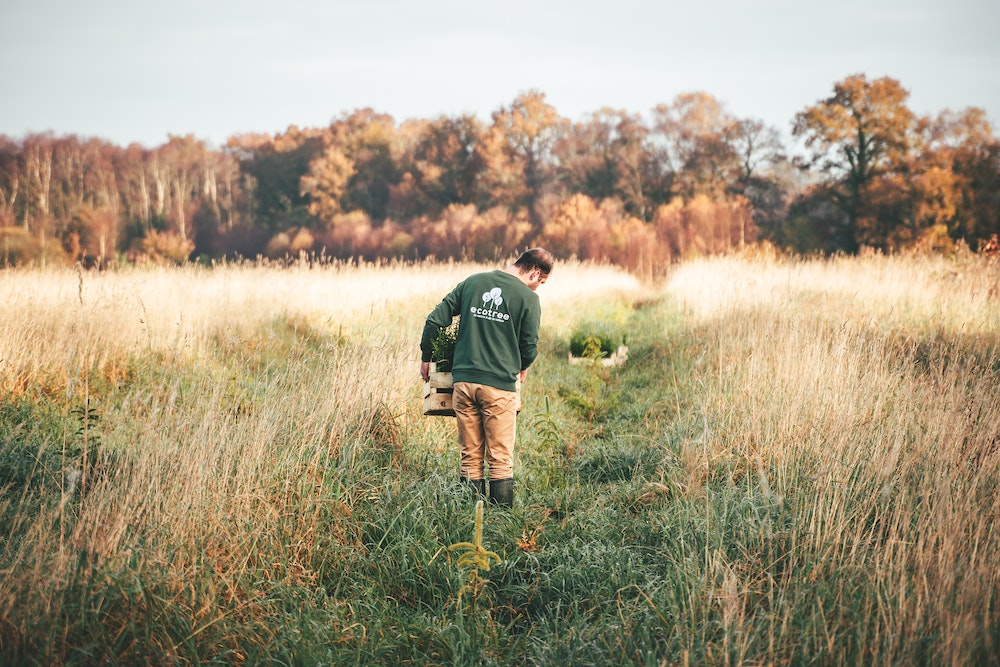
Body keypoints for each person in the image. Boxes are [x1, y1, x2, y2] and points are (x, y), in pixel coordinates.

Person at [420, 248, 554, 508]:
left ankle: (468, 515)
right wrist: (522, 366)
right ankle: (500, 523)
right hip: (499, 386)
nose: (538, 288)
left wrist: (427, 357)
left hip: (463, 383)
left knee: (470, 455)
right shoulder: (528, 299)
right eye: (541, 283)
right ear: (535, 273)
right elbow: (529, 347)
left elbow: (435, 320)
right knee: (500, 457)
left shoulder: (473, 282)